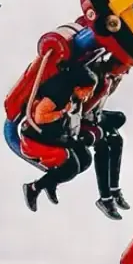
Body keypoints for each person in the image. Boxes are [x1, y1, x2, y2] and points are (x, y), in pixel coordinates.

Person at [20, 64, 98, 212]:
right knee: (71, 166)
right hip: (37, 134)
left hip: (55, 131)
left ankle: (52, 182)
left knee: (85, 158)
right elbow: (40, 117)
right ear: (77, 88)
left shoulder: (72, 95)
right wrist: (62, 112)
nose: (88, 97)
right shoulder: (59, 93)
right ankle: (33, 188)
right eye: (87, 92)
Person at [80, 55, 131, 220]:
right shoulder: (98, 77)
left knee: (117, 137)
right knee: (103, 147)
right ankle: (105, 198)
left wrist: (116, 81)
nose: (127, 73)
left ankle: (114, 189)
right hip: (83, 119)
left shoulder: (111, 78)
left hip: (95, 115)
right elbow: (86, 105)